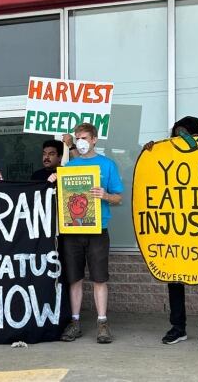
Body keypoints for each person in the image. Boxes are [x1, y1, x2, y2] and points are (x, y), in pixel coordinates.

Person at [144, 116, 198, 348]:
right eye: (176, 136)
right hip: (175, 228)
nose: (179, 140)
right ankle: (178, 327)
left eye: (185, 135)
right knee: (174, 278)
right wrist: (150, 154)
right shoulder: (170, 156)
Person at [49, 123, 123, 344]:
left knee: (99, 278)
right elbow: (59, 196)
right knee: (74, 278)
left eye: (83, 137)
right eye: (76, 138)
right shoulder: (68, 166)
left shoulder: (107, 165)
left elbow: (119, 197)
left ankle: (102, 322)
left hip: (98, 229)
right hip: (72, 230)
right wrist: (53, 180)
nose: (79, 141)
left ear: (94, 139)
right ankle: (75, 322)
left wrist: (106, 195)